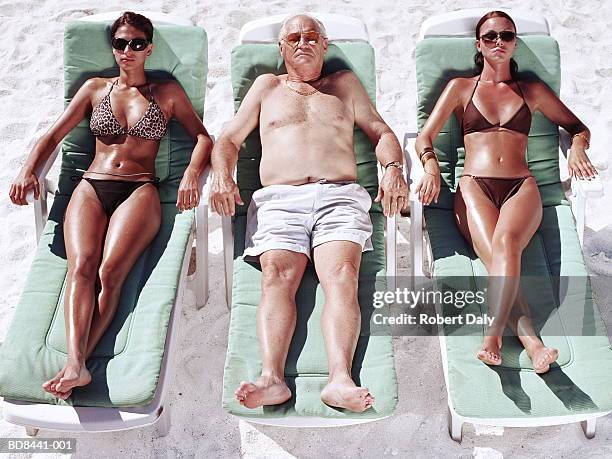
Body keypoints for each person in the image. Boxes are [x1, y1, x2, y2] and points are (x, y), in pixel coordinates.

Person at [8, 12, 212, 399]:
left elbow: (203, 137)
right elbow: (52, 136)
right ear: (113, 48)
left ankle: (75, 362)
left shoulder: (165, 92)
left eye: (137, 43)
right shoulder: (95, 89)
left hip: (140, 190)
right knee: (80, 268)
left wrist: (189, 175)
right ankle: (76, 363)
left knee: (110, 273)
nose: (128, 50)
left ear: (149, 48)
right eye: (121, 43)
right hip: (91, 184)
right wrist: (28, 170)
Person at [210, 14, 408, 412]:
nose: (303, 43)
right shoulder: (267, 87)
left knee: (343, 275)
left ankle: (339, 379)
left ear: (325, 44)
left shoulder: (345, 85)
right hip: (280, 199)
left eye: (311, 36)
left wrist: (391, 169)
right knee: (277, 277)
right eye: (294, 38)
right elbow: (229, 138)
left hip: (339, 195)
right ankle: (272, 378)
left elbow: (382, 133)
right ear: (281, 48)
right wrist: (221, 176)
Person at [415, 10, 597, 373]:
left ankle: (492, 336)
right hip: (473, 187)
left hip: (521, 187)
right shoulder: (461, 88)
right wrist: (431, 164)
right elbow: (424, 137)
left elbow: (577, 127)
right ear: (478, 45)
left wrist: (578, 147)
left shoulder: (532, 90)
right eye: (490, 37)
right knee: (499, 260)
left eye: (506, 36)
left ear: (514, 43)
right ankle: (533, 344)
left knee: (505, 247)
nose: (498, 42)